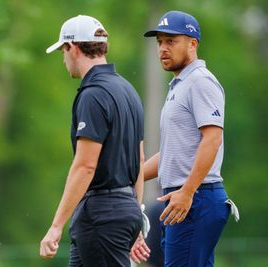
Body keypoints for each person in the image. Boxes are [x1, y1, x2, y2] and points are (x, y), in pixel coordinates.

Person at [40, 15, 150, 266]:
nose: (64, 59)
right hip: (122, 208)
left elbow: (85, 166)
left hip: (102, 215)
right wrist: (134, 214)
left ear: (74, 48)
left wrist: (56, 226)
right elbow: (140, 159)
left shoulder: (93, 95)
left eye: (63, 51)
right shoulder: (128, 90)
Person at [140, 10, 239, 267]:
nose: (162, 48)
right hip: (186, 199)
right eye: (160, 41)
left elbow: (212, 139)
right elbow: (172, 151)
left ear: (192, 44)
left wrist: (187, 191)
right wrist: (132, 174)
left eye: (171, 41)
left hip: (196, 198)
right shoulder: (180, 85)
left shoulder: (200, 82)